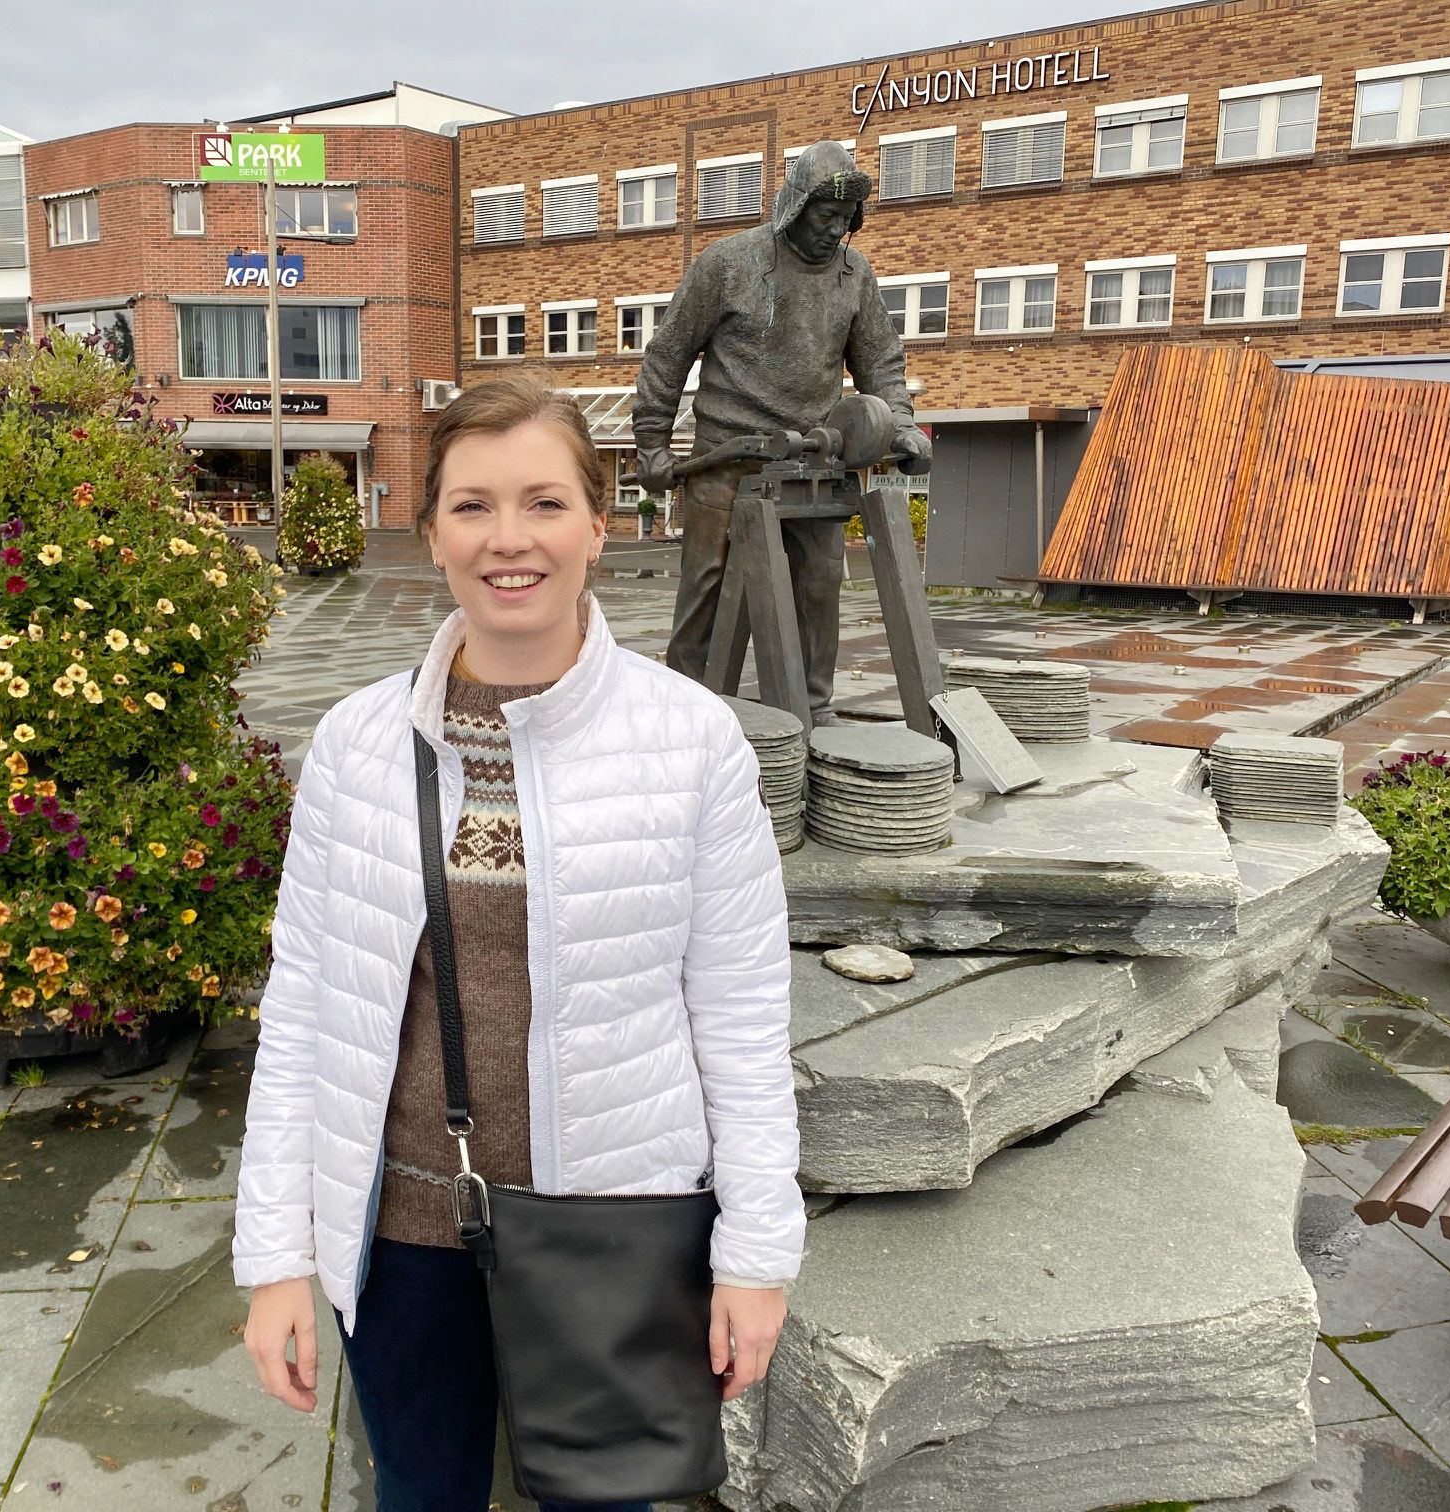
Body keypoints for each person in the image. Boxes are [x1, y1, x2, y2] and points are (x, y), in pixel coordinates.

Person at [236, 370, 804, 1511]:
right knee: (421, 1495)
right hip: (403, 1234)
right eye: (474, 505)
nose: (510, 538)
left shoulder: (691, 742)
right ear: (432, 533)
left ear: (599, 524)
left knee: (604, 1501)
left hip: (612, 1232)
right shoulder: (356, 744)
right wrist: (276, 1257)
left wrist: (756, 1253)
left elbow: (741, 1014)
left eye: (545, 502)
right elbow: (303, 1010)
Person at [635, 140, 933, 726]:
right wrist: (651, 443)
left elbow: (881, 363)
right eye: (825, 216)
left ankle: (811, 709)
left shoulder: (854, 275)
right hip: (726, 459)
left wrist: (899, 425)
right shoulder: (729, 264)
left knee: (818, 585)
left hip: (811, 464)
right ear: (795, 207)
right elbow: (668, 354)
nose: (835, 230)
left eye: (846, 219)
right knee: (708, 588)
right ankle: (686, 711)